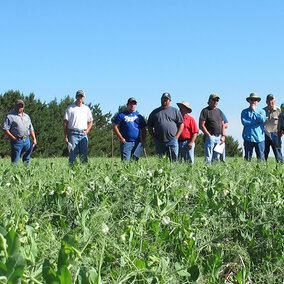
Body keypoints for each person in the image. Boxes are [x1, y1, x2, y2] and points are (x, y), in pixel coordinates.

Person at [148, 92, 184, 161]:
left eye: (166, 99)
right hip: (159, 141)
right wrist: (154, 137)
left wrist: (177, 137)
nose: (164, 100)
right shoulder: (154, 112)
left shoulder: (175, 111)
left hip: (172, 140)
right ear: (161, 99)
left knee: (174, 160)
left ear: (169, 101)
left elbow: (181, 124)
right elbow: (149, 126)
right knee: (161, 161)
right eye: (163, 98)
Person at [2, 99, 37, 166]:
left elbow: (31, 128)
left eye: (21, 106)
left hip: (27, 140)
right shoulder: (10, 116)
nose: (20, 108)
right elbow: (5, 128)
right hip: (17, 141)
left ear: (23, 107)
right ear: (15, 106)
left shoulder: (26, 116)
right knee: (15, 160)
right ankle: (13, 174)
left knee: (27, 158)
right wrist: (12, 137)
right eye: (18, 106)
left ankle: (26, 172)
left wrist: (34, 138)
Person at [64, 90, 93, 166]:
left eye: (81, 96)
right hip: (73, 133)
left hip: (83, 133)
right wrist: (66, 135)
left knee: (84, 155)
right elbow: (65, 123)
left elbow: (91, 121)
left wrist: (87, 131)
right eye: (78, 96)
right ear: (76, 97)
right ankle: (71, 172)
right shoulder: (70, 108)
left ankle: (84, 172)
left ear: (83, 98)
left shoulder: (86, 109)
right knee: (72, 155)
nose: (80, 98)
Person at [199, 93, 225, 165]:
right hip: (210, 137)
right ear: (209, 100)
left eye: (217, 100)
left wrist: (223, 136)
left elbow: (223, 124)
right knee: (208, 157)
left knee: (217, 156)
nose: (215, 102)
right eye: (214, 100)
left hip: (219, 137)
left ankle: (215, 171)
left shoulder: (219, 111)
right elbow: (201, 125)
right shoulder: (205, 111)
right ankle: (207, 171)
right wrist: (209, 136)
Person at [241, 93, 266, 161]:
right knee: (247, 158)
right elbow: (244, 122)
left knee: (261, 158)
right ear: (249, 100)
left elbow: (263, 120)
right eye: (252, 99)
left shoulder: (262, 111)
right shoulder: (244, 112)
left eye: (255, 100)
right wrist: (256, 122)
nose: (253, 101)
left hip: (259, 138)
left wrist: (255, 111)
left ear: (257, 101)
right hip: (248, 137)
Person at [263, 94, 283, 163]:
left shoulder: (279, 110)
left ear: (274, 101)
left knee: (278, 154)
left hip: (276, 134)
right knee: (264, 153)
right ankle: (262, 169)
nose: (270, 102)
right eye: (268, 100)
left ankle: (281, 170)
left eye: (271, 100)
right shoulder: (263, 111)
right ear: (266, 101)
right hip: (265, 134)